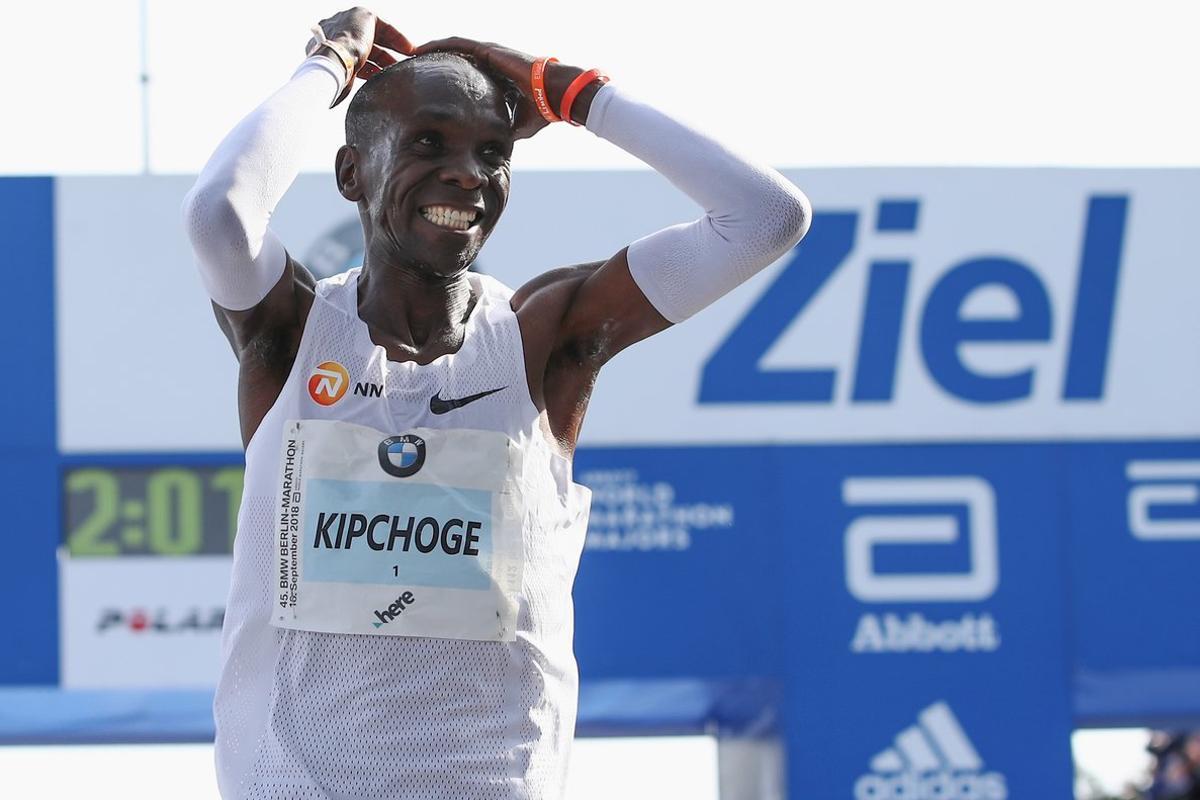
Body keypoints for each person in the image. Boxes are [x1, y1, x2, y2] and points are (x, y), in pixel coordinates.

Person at [182, 7, 810, 798]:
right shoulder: (294, 333)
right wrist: (328, 65)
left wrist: (574, 93)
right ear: (351, 174)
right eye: (427, 143)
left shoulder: (542, 340)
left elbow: (767, 218)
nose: (468, 173)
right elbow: (218, 214)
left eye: (493, 152)